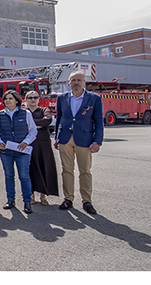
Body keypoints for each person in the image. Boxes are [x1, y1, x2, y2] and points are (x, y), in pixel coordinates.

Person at [55, 70, 104, 215]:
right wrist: (57, 138)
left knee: (85, 171)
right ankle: (68, 199)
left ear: (84, 82)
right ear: (69, 83)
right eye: (73, 80)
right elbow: (59, 119)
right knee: (66, 170)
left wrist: (97, 141)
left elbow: (99, 122)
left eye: (79, 80)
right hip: (65, 139)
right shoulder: (62, 98)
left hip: (85, 140)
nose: (76, 83)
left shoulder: (94, 98)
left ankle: (87, 201)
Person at [0, 90, 38, 213]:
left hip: (22, 151)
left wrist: (26, 142)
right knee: (9, 175)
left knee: (24, 176)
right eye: (6, 99)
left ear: (16, 101)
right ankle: (10, 200)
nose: (8, 101)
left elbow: (33, 130)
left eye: (10, 98)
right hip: (6, 152)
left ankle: (27, 201)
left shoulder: (26, 113)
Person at [25, 90, 58, 206]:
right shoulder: (24, 112)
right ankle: (31, 194)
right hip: (28, 143)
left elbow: (47, 121)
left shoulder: (44, 110)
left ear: (38, 99)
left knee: (44, 167)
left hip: (43, 144)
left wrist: (30, 124)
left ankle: (43, 195)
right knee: (30, 169)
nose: (33, 99)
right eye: (30, 97)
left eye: (35, 97)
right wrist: (38, 125)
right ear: (26, 100)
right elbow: (21, 123)